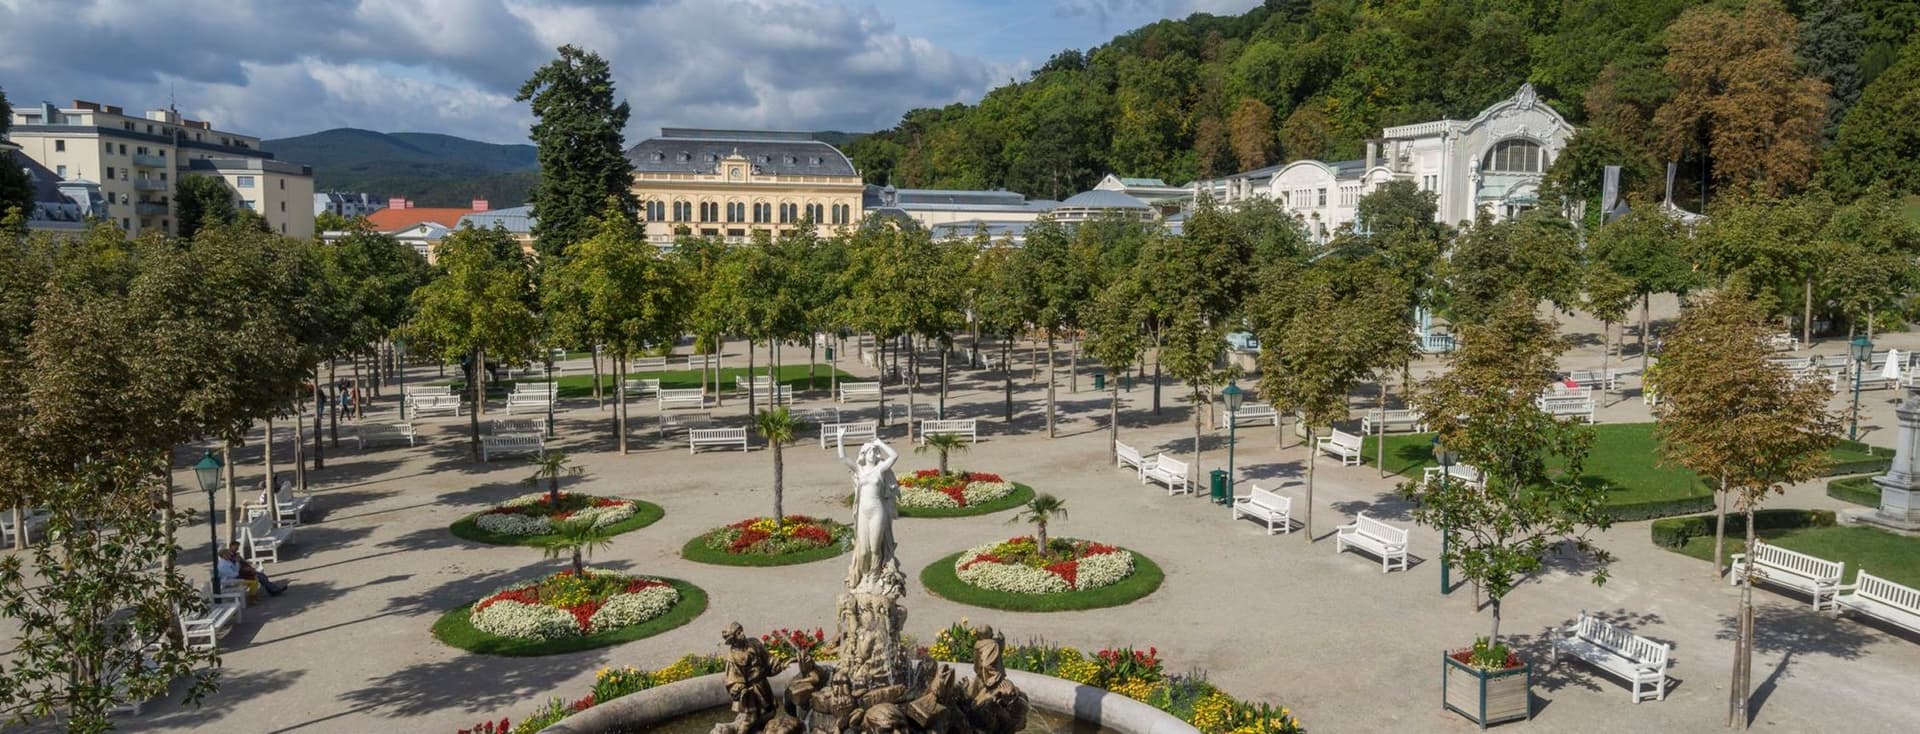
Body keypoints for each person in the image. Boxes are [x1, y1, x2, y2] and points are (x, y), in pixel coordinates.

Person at [219, 543, 287, 596]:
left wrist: (237, 562)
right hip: (232, 580)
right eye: (228, 554)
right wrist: (244, 572)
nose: (230, 555)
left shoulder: (227, 561)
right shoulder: (223, 565)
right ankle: (273, 590)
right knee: (257, 576)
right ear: (224, 556)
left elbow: (236, 569)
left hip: (237, 576)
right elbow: (233, 574)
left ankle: (273, 590)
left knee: (260, 575)